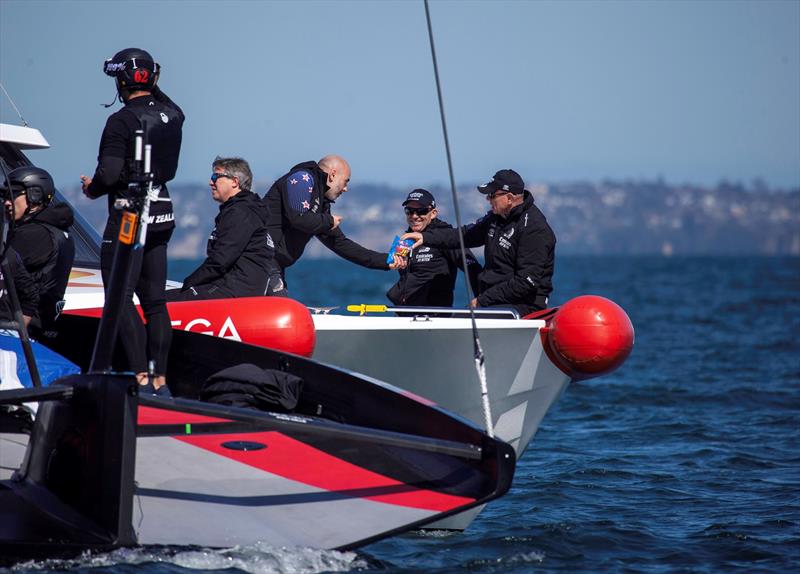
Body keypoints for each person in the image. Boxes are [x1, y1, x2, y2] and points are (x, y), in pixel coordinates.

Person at [79, 47, 185, 395]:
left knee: (120, 297)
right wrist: (154, 79)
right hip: (163, 210)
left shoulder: (120, 121)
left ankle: (140, 377)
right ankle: (160, 379)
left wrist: (92, 190)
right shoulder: (173, 114)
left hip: (130, 214)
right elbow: (162, 101)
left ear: (121, 82)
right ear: (153, 79)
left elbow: (108, 175)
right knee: (155, 300)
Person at [403, 169, 556, 317]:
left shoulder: (534, 229)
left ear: (509, 198)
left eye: (492, 195)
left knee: (462, 323)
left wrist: (482, 301)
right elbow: (463, 235)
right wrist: (425, 238)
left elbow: (526, 282)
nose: (487, 199)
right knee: (460, 319)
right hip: (494, 303)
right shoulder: (496, 218)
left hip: (522, 306)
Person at [263, 155, 404, 290]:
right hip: (259, 259)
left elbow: (341, 245)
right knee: (280, 309)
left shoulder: (321, 206)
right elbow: (299, 218)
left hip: (273, 264)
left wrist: (386, 261)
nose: (345, 188)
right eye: (346, 181)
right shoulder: (302, 179)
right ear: (333, 174)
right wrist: (329, 221)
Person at [167, 157, 275, 301]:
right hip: (238, 289)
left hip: (232, 292)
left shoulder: (240, 213)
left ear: (235, 182)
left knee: (157, 303)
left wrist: (189, 283)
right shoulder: (245, 210)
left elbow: (220, 261)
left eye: (216, 177)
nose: (210, 182)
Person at [2, 167, 75, 338]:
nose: (7, 202)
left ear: (34, 195)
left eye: (13, 195)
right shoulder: (59, 232)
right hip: (41, 329)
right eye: (5, 196)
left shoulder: (33, 234)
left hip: (17, 328)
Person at [387, 189, 482, 308]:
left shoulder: (445, 237)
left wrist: (481, 300)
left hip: (432, 316)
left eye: (421, 211)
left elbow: (473, 268)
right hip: (405, 313)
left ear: (433, 213)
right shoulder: (406, 239)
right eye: (409, 211)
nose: (414, 216)